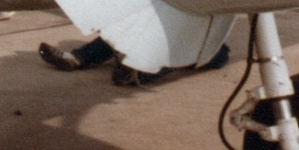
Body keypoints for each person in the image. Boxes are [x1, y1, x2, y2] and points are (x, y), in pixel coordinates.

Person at [38, 35, 230, 86]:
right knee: (120, 30)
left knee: (180, 47)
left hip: (211, 46)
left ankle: (137, 73)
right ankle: (75, 58)